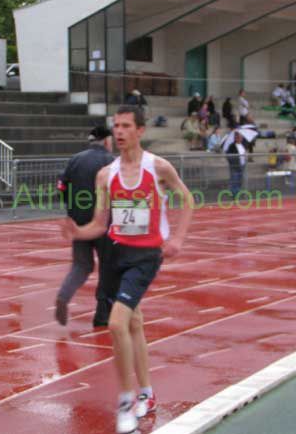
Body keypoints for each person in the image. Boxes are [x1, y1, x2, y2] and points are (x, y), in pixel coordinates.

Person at [61, 105, 193, 434]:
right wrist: (79, 232)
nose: (119, 132)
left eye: (125, 126)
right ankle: (147, 393)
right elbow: (98, 224)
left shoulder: (158, 167)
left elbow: (187, 199)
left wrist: (176, 237)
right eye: (115, 126)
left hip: (146, 255)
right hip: (115, 254)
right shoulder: (106, 175)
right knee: (133, 321)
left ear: (140, 131)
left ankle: (125, 402)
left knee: (116, 322)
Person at [55, 126, 115, 327]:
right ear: (107, 141)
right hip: (103, 222)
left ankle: (64, 296)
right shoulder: (111, 161)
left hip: (78, 221)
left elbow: (62, 186)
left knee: (81, 265)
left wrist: (71, 209)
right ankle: (102, 314)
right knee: (107, 266)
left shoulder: (76, 159)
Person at [225, 131, 248, 197]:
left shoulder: (243, 145)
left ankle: (238, 193)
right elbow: (228, 156)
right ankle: (234, 194)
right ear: (236, 137)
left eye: (241, 137)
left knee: (240, 180)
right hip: (235, 166)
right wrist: (234, 161)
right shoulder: (231, 146)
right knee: (234, 180)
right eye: (238, 137)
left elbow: (244, 153)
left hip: (242, 165)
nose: (240, 138)